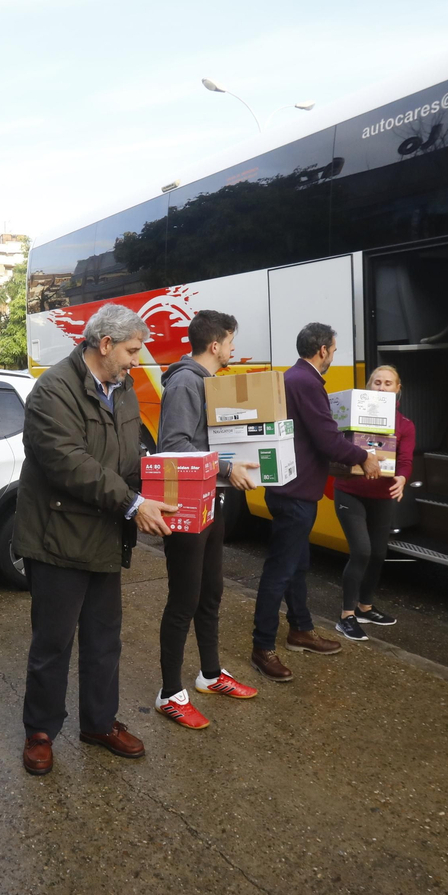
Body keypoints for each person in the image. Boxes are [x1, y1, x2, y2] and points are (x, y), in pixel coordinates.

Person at [18, 303, 176, 775]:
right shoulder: (53, 390)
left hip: (104, 535)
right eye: (131, 349)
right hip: (58, 538)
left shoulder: (123, 388)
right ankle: (41, 731)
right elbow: (69, 463)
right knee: (53, 642)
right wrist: (132, 504)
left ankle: (99, 722)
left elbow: (132, 458)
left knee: (105, 640)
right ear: (104, 345)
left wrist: (195, 481)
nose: (137, 359)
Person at [250, 322, 380, 682]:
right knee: (279, 572)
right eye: (334, 350)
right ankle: (263, 647)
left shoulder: (293, 378)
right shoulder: (306, 382)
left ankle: (300, 630)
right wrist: (363, 456)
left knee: (298, 565)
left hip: (292, 489)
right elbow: (327, 440)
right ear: (322, 350)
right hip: (295, 494)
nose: (333, 356)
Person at [152, 310, 260, 729]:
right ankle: (169, 693)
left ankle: (210, 675)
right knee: (184, 600)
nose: (233, 349)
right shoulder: (184, 383)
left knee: (210, 592)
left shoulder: (208, 383)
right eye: (230, 342)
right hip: (185, 507)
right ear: (215, 345)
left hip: (209, 503)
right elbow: (174, 444)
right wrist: (224, 466)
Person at [332, 365, 417, 641]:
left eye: (388, 383)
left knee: (379, 554)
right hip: (350, 492)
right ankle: (346, 616)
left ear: (397, 389)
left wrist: (402, 479)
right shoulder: (355, 418)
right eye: (377, 382)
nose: (382, 387)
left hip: (382, 497)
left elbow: (404, 461)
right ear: (369, 387)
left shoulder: (405, 425)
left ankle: (365, 607)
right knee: (362, 551)